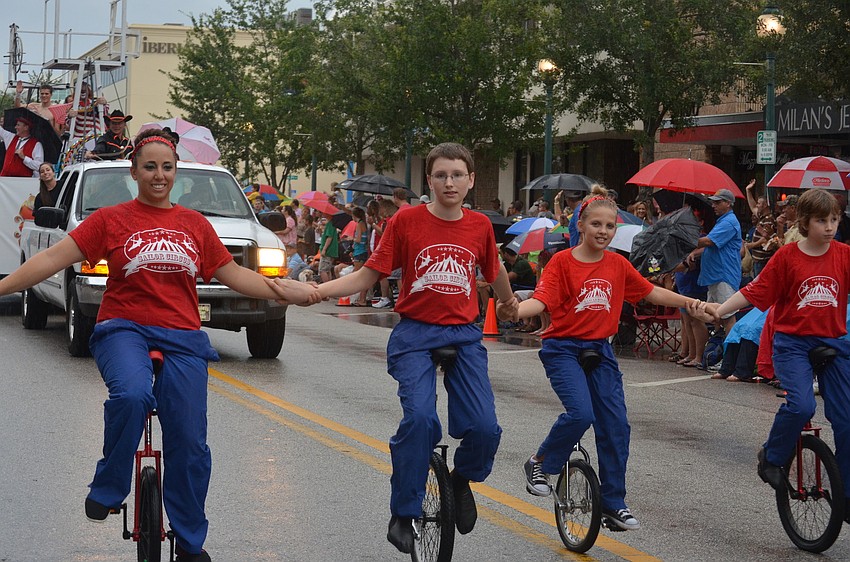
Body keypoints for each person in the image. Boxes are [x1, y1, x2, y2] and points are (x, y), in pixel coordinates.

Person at [0, 128, 317, 561]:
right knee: (131, 395)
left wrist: (287, 291)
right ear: (134, 171)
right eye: (149, 167)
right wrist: (3, 288)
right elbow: (51, 260)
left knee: (189, 442)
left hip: (183, 337)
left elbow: (236, 276)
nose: (159, 175)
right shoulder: (110, 220)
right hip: (123, 330)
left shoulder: (195, 225)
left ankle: (189, 543)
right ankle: (110, 486)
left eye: (167, 167)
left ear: (176, 173)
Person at [271, 142, 516, 554]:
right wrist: (316, 291)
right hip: (416, 335)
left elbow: (495, 271)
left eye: (458, 175)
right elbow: (368, 275)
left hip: (462, 334)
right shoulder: (406, 222)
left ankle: (460, 481)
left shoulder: (478, 226)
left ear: (471, 180)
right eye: (441, 175)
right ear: (429, 180)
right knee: (420, 420)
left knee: (485, 427)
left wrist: (508, 304)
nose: (449, 182)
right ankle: (404, 509)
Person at [497, 185, 706, 531]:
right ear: (581, 225)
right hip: (563, 349)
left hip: (600, 350)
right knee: (581, 413)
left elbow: (650, 290)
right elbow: (542, 301)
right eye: (596, 224)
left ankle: (613, 503)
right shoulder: (562, 262)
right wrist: (518, 310)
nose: (603, 232)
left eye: (609, 226)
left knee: (615, 426)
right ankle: (541, 461)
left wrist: (692, 303)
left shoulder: (618, 265)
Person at [697, 188, 850, 499]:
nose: (830, 227)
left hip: (834, 341)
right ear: (806, 222)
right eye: (822, 221)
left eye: (834, 220)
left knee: (847, 419)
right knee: (802, 406)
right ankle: (773, 456)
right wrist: (720, 310)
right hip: (793, 343)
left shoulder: (844, 255)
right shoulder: (787, 257)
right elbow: (755, 292)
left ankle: (846, 493)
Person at [685, 188, 742, 334]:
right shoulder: (722, 221)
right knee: (715, 316)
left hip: (724, 276)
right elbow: (714, 246)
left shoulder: (729, 221)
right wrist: (695, 253)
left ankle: (729, 354)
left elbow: (709, 241)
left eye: (717, 202)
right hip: (715, 276)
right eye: (713, 202)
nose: (713, 206)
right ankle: (716, 350)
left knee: (728, 317)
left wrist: (685, 240)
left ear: (728, 203)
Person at [318, 211, 340, 283]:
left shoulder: (330, 224)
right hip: (330, 251)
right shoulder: (330, 224)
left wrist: (324, 249)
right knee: (327, 270)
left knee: (322, 270)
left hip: (328, 251)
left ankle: (326, 287)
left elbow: (329, 237)